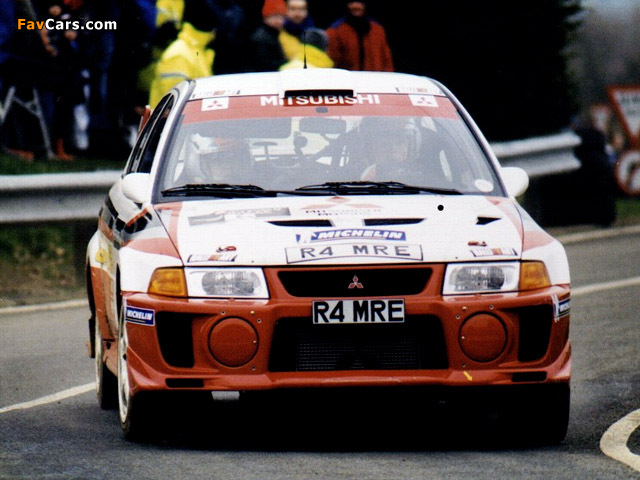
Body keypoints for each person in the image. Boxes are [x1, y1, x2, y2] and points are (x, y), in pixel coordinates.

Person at [148, 0, 218, 108]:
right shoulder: (180, 55)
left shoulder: (197, 51)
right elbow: (172, 103)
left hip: (186, 117)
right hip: (174, 118)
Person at [326, 0, 393, 72]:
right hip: (348, 77)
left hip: (375, 76)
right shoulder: (335, 30)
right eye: (352, 3)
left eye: (360, 3)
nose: (356, 6)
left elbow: (386, 58)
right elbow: (331, 59)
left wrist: (388, 75)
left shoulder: (377, 30)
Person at [358, 117, 421, 182]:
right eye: (384, 143)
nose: (393, 149)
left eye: (400, 142)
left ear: (411, 147)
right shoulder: (358, 179)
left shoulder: (419, 180)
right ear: (369, 148)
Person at [248, 0, 287, 72]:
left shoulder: (279, 34)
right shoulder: (260, 38)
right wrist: (287, 64)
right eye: (274, 16)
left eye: (282, 17)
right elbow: (264, 64)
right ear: (265, 18)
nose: (279, 21)